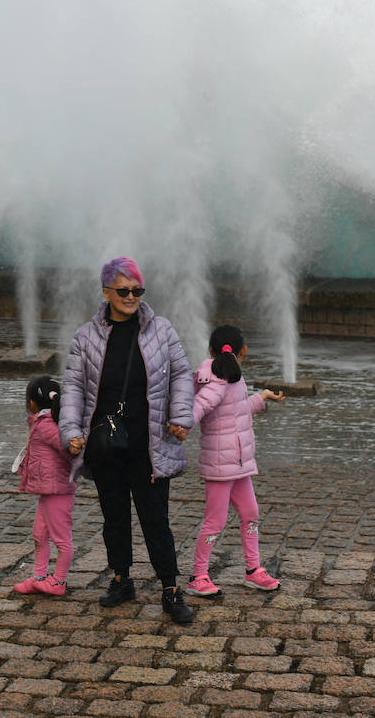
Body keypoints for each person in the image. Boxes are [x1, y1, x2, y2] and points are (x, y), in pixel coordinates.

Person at [59, 257, 196, 625]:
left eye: (137, 290)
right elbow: (72, 388)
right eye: (123, 291)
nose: (131, 296)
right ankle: (121, 580)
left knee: (156, 520)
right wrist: (70, 432)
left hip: (150, 445)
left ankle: (170, 589)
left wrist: (181, 416)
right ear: (106, 293)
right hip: (107, 443)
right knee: (114, 517)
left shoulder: (161, 330)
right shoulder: (86, 337)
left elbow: (182, 374)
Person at [185, 324, 285, 598]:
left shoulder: (233, 377)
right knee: (214, 522)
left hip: (239, 463)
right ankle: (198, 575)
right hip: (220, 466)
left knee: (250, 513)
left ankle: (253, 570)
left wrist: (261, 397)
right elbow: (199, 407)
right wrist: (181, 427)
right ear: (244, 351)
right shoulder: (215, 380)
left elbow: (237, 411)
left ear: (211, 349)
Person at [11, 375, 76, 596]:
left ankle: (59, 581)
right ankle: (39, 576)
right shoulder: (42, 422)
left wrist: (73, 448)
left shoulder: (48, 425)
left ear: (32, 402)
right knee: (39, 534)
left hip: (57, 490)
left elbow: (68, 449)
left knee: (61, 538)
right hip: (47, 490)